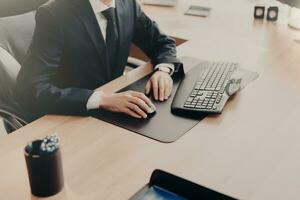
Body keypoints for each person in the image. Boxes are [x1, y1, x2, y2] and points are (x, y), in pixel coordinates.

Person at [17, 0, 183, 120]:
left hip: (119, 110)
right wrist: (101, 100)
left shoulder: (127, 4)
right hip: (71, 116)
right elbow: (30, 90)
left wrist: (163, 70)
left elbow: (161, 42)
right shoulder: (54, 14)